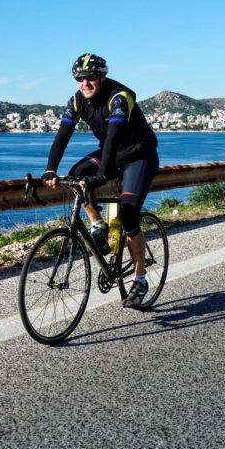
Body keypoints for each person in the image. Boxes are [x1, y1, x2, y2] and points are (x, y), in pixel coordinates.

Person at [42, 53, 159, 308]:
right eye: (79, 78)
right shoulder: (76, 101)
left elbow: (114, 136)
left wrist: (102, 176)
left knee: (129, 215)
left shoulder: (119, 97)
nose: (85, 83)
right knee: (75, 176)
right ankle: (97, 223)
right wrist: (51, 169)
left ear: (102, 76)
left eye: (90, 77)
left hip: (139, 156)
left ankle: (140, 278)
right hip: (112, 154)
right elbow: (62, 136)